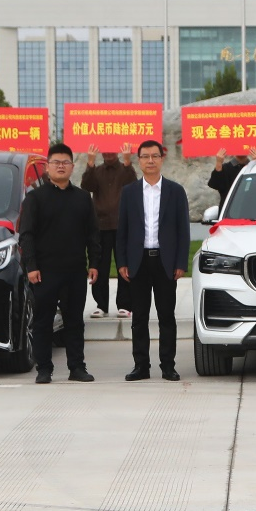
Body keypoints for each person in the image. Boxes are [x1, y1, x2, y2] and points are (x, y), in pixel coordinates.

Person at [18, 143, 99, 384]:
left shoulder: (83, 198)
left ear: (72, 167)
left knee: (74, 321)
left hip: (75, 271)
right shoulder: (35, 198)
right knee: (43, 321)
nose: (61, 166)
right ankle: (44, 369)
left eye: (65, 162)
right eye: (56, 162)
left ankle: (77, 367)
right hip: (44, 272)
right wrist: (31, 266)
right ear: (48, 167)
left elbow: (93, 235)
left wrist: (94, 263)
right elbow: (26, 234)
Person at [117, 140, 191, 381]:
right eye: (145, 156)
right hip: (138, 261)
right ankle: (141, 366)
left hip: (165, 262)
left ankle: (168, 366)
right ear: (138, 160)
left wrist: (180, 263)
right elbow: (122, 230)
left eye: (155, 156)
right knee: (139, 317)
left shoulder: (175, 191)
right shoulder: (129, 192)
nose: (150, 161)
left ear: (162, 159)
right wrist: (122, 262)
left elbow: (183, 230)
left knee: (166, 316)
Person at [80, 143, 137, 319]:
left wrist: (128, 163)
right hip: (101, 225)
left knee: (124, 265)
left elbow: (133, 185)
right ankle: (101, 304)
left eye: (112, 149)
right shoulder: (96, 171)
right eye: (105, 150)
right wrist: (90, 164)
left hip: (122, 226)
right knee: (99, 266)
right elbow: (86, 186)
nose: (109, 152)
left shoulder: (125, 169)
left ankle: (125, 304)